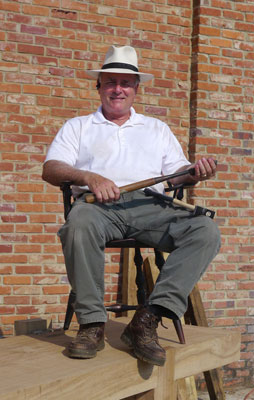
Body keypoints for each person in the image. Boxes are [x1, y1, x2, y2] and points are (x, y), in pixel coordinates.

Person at [42, 45, 220, 366]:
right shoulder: (78, 127)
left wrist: (194, 173)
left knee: (205, 230)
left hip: (151, 205)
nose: (118, 89)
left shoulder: (157, 129)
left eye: (125, 83)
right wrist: (88, 176)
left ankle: (147, 320)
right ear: (99, 86)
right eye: (110, 82)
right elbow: (51, 169)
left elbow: (177, 176)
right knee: (77, 225)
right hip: (97, 207)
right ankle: (92, 324)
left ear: (136, 89)